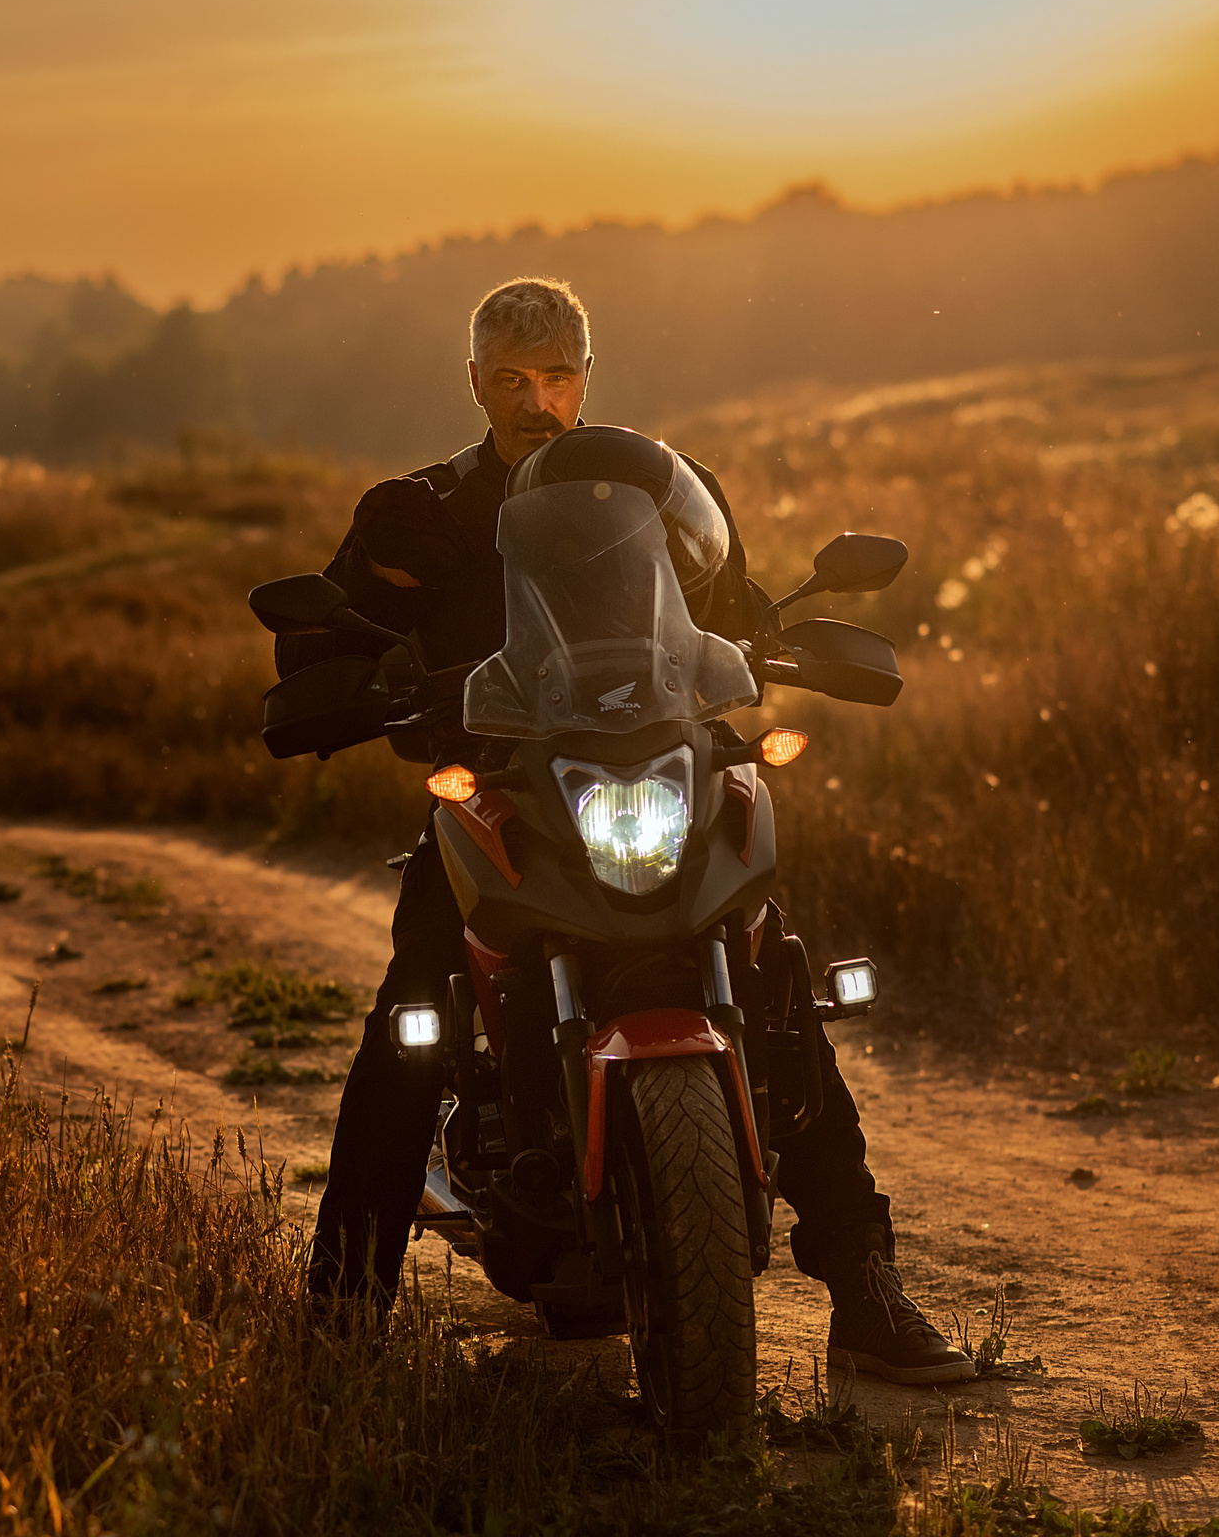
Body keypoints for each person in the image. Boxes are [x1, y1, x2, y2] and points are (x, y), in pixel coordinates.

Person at [289, 276, 972, 1385]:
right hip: (504, 797)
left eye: (555, 376)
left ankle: (865, 1289)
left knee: (776, 978)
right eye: (510, 378)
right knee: (413, 1010)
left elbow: (733, 617)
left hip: (657, 777)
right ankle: (342, 1307)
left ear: (585, 377)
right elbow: (320, 648)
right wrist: (364, 666)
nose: (535, 399)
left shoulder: (659, 492)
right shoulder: (423, 508)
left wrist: (775, 645)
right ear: (473, 382)